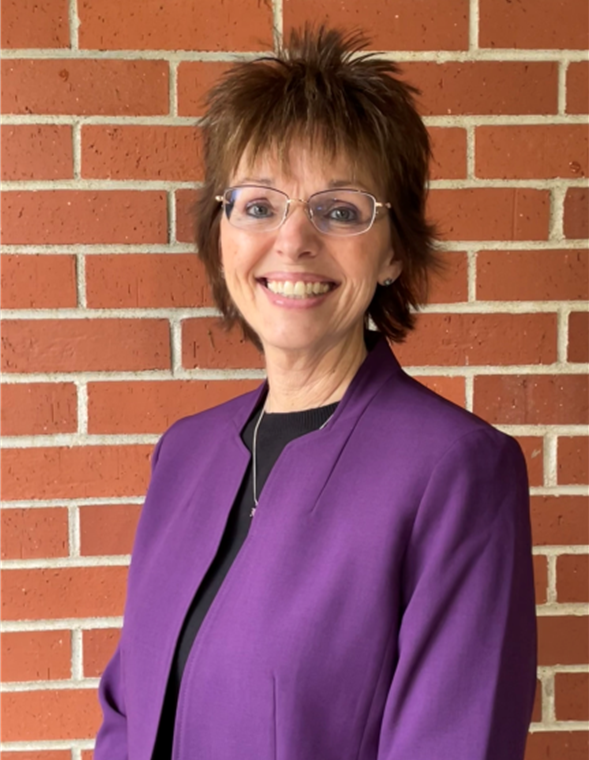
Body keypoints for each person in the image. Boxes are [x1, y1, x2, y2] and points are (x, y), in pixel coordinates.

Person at [94, 26, 537, 760]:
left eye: (339, 210)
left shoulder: (455, 470)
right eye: (258, 206)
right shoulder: (184, 453)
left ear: (393, 253)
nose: (294, 240)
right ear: (222, 236)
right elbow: (126, 712)